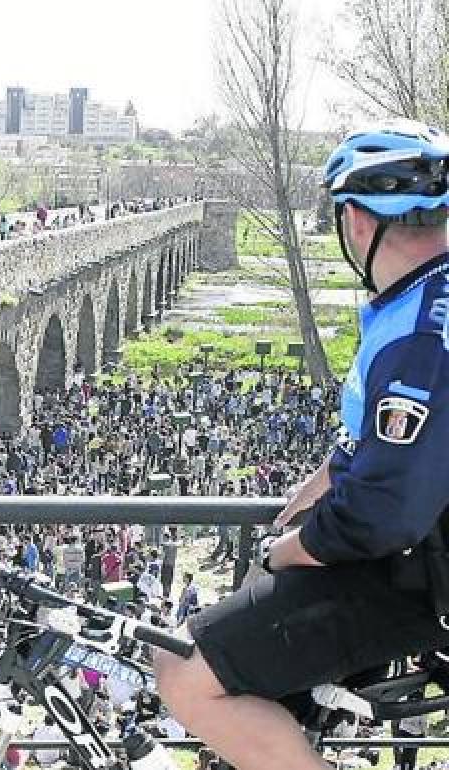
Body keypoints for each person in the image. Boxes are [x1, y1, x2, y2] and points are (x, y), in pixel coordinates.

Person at [156, 120, 449, 770]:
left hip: (412, 582)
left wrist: (292, 548)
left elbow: (387, 510)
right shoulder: (423, 306)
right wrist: (319, 483)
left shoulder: (417, 339)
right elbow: (395, 444)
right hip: (412, 563)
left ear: (360, 223)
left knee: (180, 671)